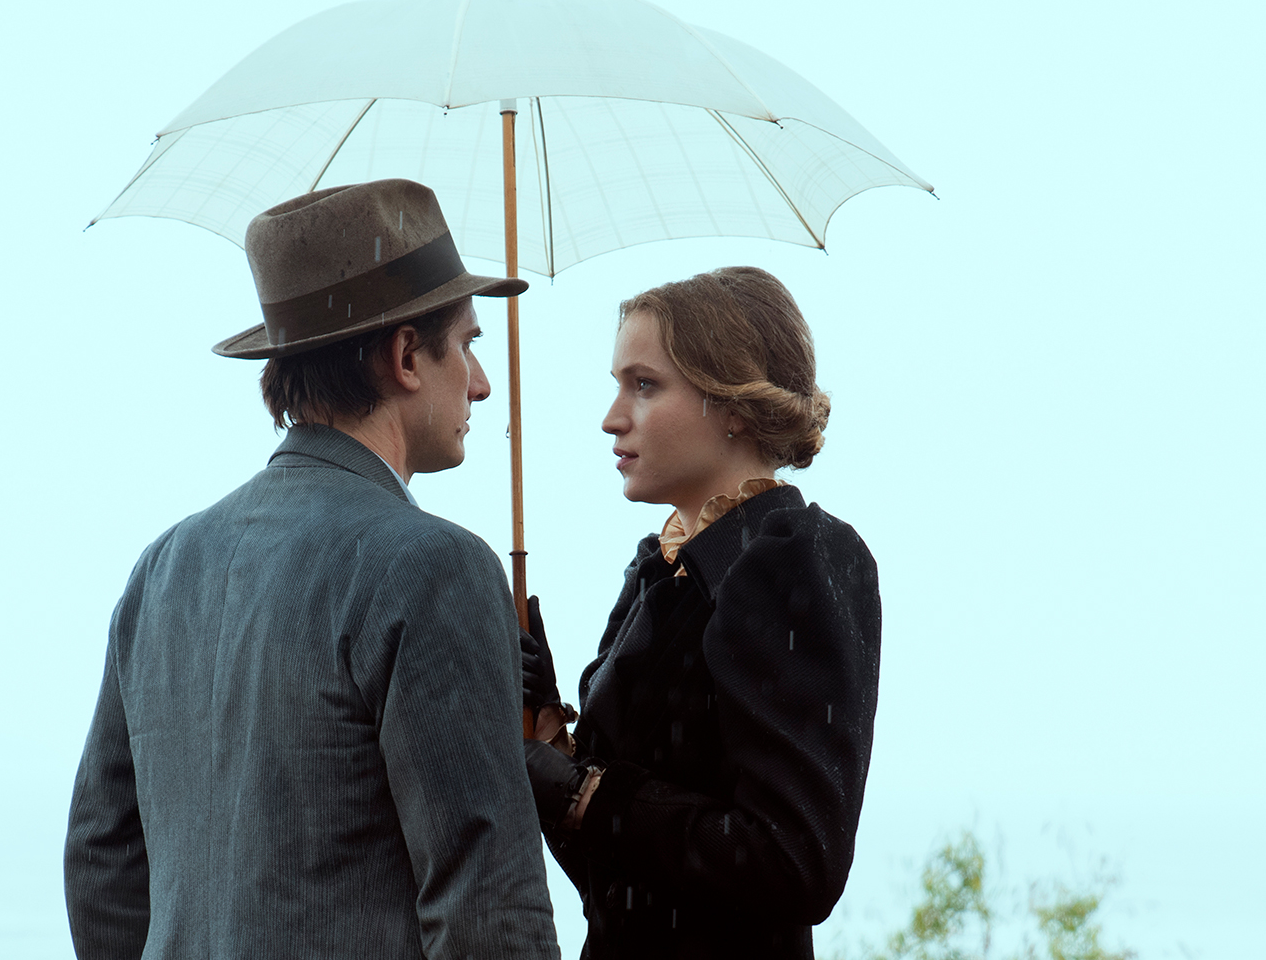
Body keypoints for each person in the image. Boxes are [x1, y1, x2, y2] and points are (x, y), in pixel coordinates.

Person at [64, 178, 560, 960]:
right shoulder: (436, 567)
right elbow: (487, 909)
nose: (481, 381)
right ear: (405, 356)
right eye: (468, 343)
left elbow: (102, 863)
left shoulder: (163, 567)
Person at [520, 266, 883, 959]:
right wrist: (548, 734)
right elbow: (615, 885)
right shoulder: (658, 571)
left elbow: (797, 860)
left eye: (644, 384)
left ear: (734, 404)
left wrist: (586, 793)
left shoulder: (797, 555)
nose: (612, 417)